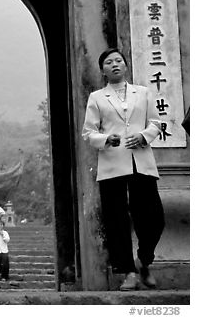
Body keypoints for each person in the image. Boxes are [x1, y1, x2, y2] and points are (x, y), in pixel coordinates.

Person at [83, 48, 165, 291]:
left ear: (126, 65)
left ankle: (144, 260)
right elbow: (89, 133)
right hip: (112, 165)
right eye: (109, 62)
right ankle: (127, 272)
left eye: (118, 60)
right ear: (103, 70)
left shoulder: (144, 93)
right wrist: (106, 139)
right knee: (116, 220)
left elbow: (157, 122)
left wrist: (143, 136)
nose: (115, 64)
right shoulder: (97, 97)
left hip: (141, 161)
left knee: (153, 217)